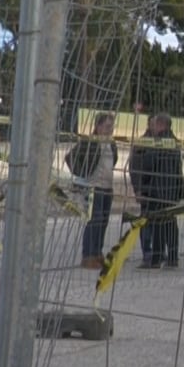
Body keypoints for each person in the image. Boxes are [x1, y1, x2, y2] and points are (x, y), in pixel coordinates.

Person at [128, 113, 184, 269]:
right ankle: (171, 257)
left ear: (160, 125)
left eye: (155, 124)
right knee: (170, 224)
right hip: (170, 191)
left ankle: (155, 257)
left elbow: (147, 164)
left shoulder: (159, 142)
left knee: (158, 224)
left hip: (157, 191)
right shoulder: (174, 141)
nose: (152, 127)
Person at [67, 112, 119, 269]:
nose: (110, 130)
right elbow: (70, 157)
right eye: (107, 126)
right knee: (94, 221)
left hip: (107, 188)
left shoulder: (112, 144)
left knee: (103, 221)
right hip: (93, 187)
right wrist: (81, 175)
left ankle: (97, 253)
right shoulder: (89, 142)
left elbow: (113, 161)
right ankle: (88, 255)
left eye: (112, 127)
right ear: (98, 126)